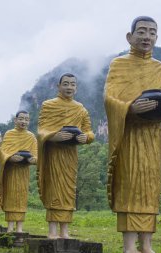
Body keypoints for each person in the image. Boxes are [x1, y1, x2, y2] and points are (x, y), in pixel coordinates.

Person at [104, 16, 161, 253]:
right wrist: (129, 107)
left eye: (152, 32)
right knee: (130, 186)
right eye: (141, 32)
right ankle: (129, 245)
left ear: (156, 38)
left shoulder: (160, 68)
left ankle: (147, 244)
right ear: (130, 37)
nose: (146, 37)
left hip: (151, 137)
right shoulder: (119, 65)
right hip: (128, 136)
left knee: (149, 186)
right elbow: (110, 98)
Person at [37, 73, 94, 239]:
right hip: (54, 155)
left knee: (69, 190)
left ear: (76, 87)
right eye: (66, 84)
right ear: (59, 86)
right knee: (55, 188)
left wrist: (87, 137)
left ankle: (65, 231)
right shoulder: (48, 105)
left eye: (73, 84)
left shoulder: (80, 108)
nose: (69, 87)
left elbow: (89, 130)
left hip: (70, 155)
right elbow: (41, 130)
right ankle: (52, 231)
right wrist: (54, 136)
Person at [0, 110, 37, 232]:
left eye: (26, 119)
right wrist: (10, 157)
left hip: (23, 172)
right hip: (11, 171)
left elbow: (36, 155)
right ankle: (10, 227)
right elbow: (3, 151)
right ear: (15, 120)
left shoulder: (31, 136)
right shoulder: (9, 134)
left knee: (22, 197)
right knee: (11, 196)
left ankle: (19, 227)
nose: (23, 121)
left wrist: (33, 159)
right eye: (21, 119)